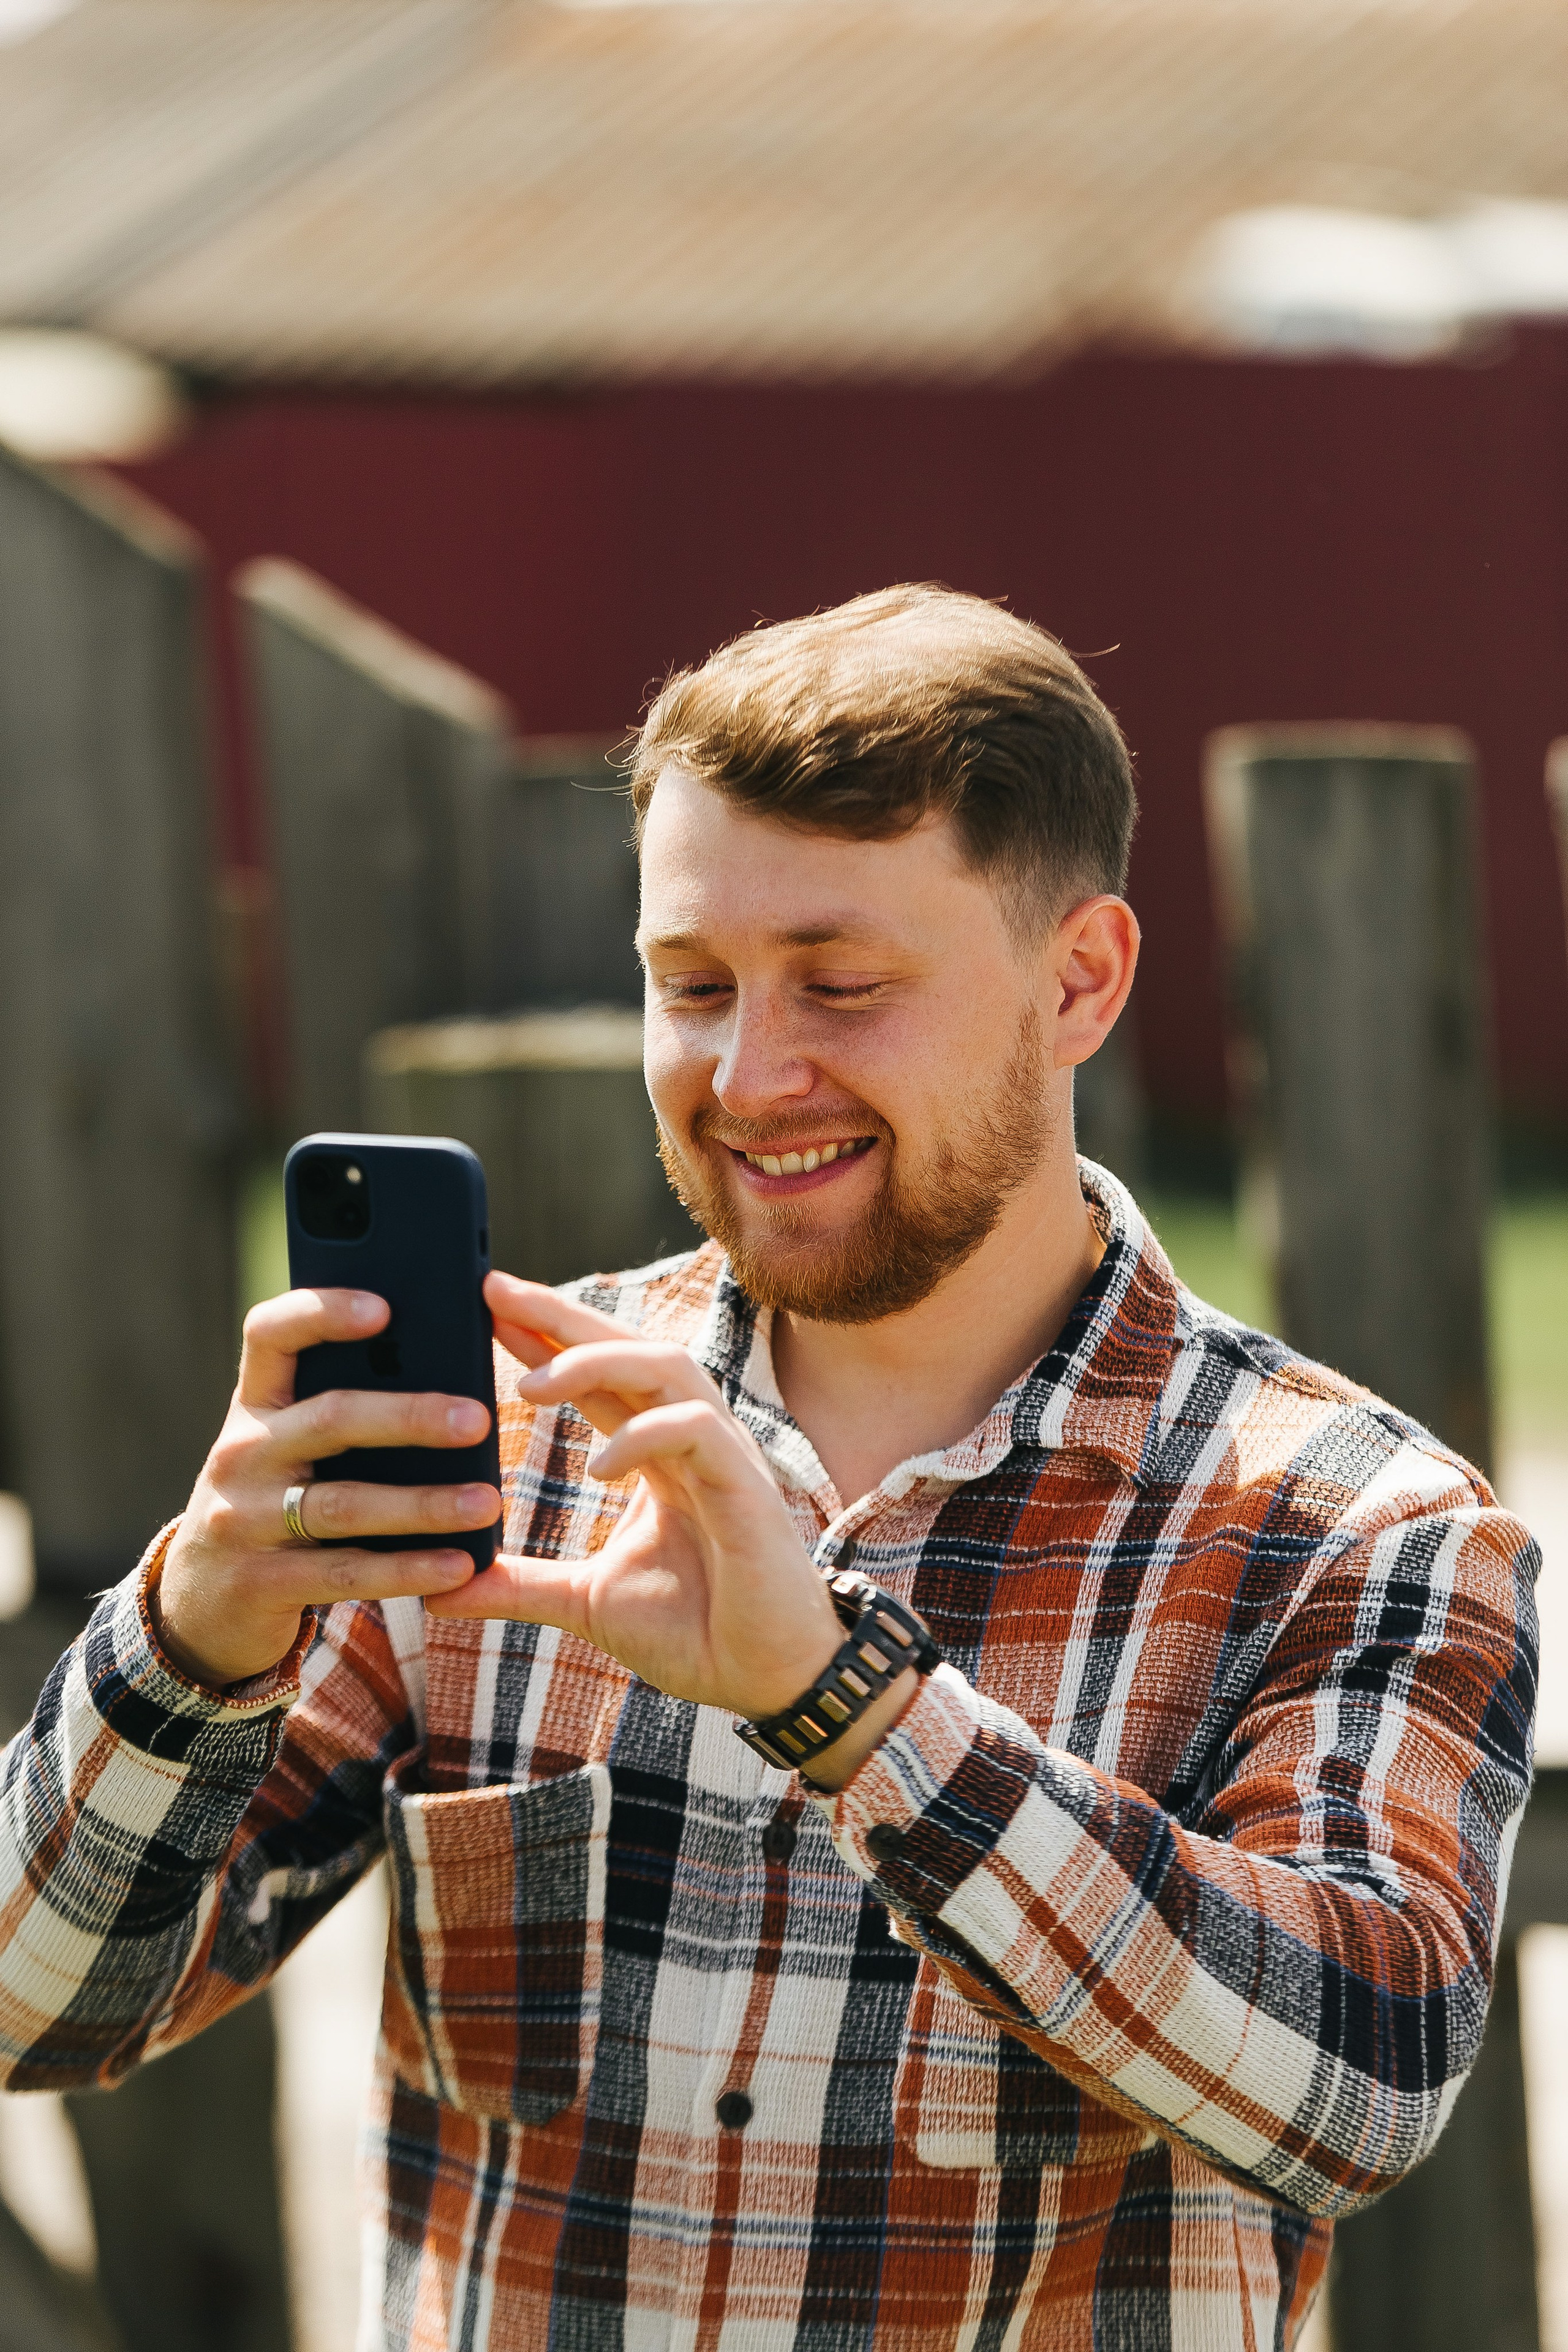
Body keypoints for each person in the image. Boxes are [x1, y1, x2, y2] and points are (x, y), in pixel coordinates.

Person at [0, 586, 1536, 2351]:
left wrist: (849, 1707)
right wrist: (191, 1638)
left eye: (844, 984)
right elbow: (32, 2015)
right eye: (693, 985)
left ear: (1081, 980)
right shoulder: (497, 1441)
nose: (748, 1073)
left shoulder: (1366, 1530)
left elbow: (1361, 2088)